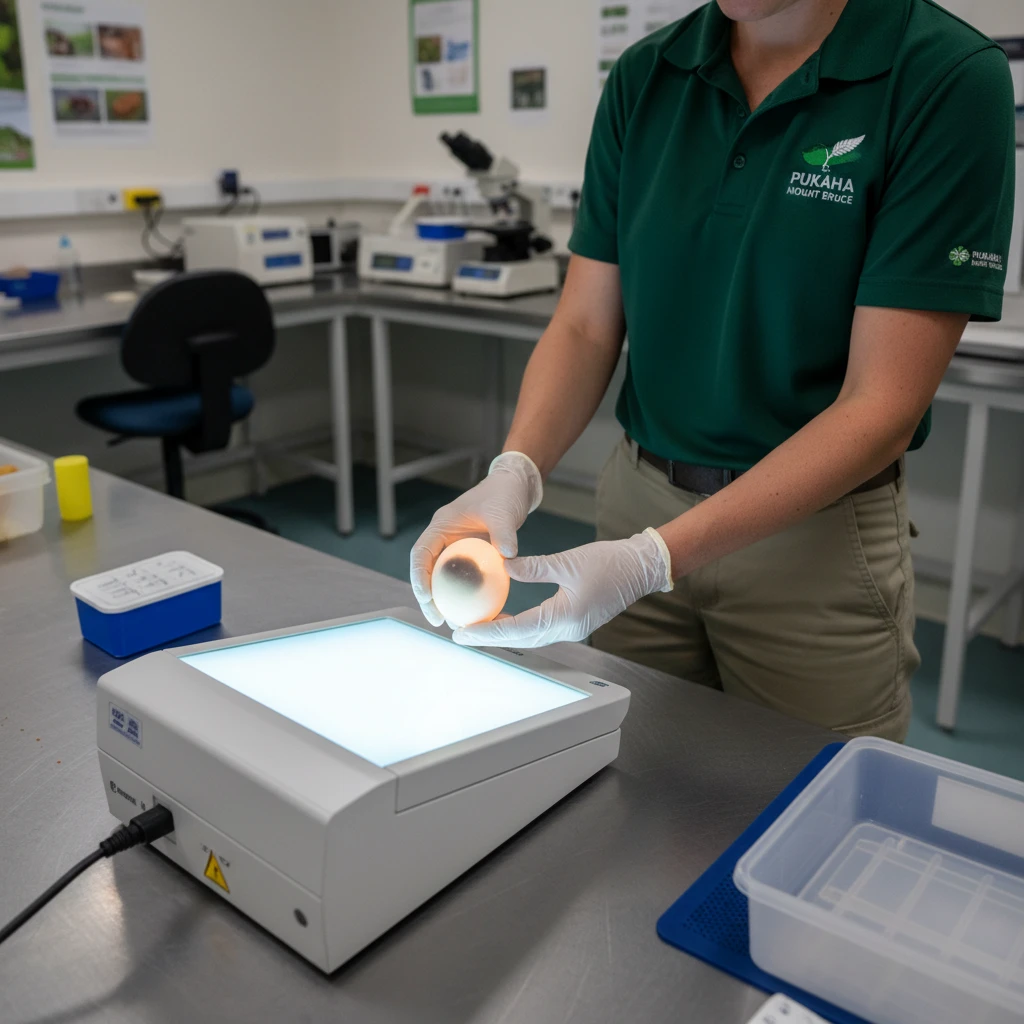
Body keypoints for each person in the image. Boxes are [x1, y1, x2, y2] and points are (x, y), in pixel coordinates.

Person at [410, 0, 1016, 740]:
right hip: (637, 496)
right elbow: (584, 324)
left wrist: (651, 560)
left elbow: (880, 407)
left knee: (810, 810)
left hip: (809, 539)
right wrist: (515, 471)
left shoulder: (944, 77)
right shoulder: (648, 75)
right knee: (630, 784)